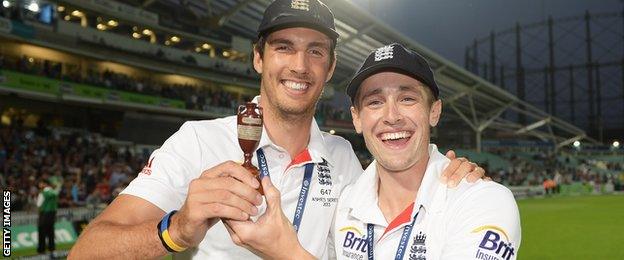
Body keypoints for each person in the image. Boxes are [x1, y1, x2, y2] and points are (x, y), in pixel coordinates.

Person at [69, 1, 483, 259]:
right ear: (258, 58)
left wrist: (452, 177)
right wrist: (176, 230)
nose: (300, 66)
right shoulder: (198, 140)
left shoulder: (344, 161)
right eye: (284, 47)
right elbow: (87, 252)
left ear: (330, 68)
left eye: (315, 51)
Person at [226, 43, 521, 260]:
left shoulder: (483, 200)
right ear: (356, 118)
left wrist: (288, 253)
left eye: (407, 98)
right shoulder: (343, 207)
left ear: (434, 112)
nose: (391, 116)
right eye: (375, 102)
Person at [37, 178, 59, 255]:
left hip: (44, 214)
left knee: (42, 232)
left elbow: (39, 204)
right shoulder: (54, 192)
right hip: (52, 214)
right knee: (50, 231)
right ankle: (52, 249)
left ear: (45, 184)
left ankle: (42, 250)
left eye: (41, 183)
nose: (39, 185)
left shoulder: (43, 193)